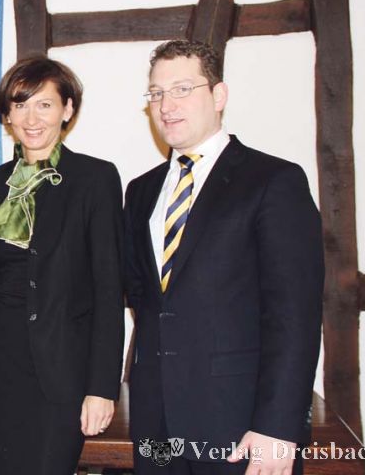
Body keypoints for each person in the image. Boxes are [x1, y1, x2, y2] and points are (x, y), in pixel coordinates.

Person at [124, 40, 324, 474]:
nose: (166, 105)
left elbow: (295, 314)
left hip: (239, 426)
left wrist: (278, 427)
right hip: (156, 425)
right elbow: (145, 299)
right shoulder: (140, 191)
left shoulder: (273, 180)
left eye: (182, 89)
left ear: (218, 95)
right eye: (156, 93)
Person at [0, 56, 125, 475]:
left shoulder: (95, 179)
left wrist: (101, 388)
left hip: (61, 375)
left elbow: (109, 290)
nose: (31, 118)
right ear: (7, 115)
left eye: (45, 105)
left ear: (67, 110)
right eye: (20, 105)